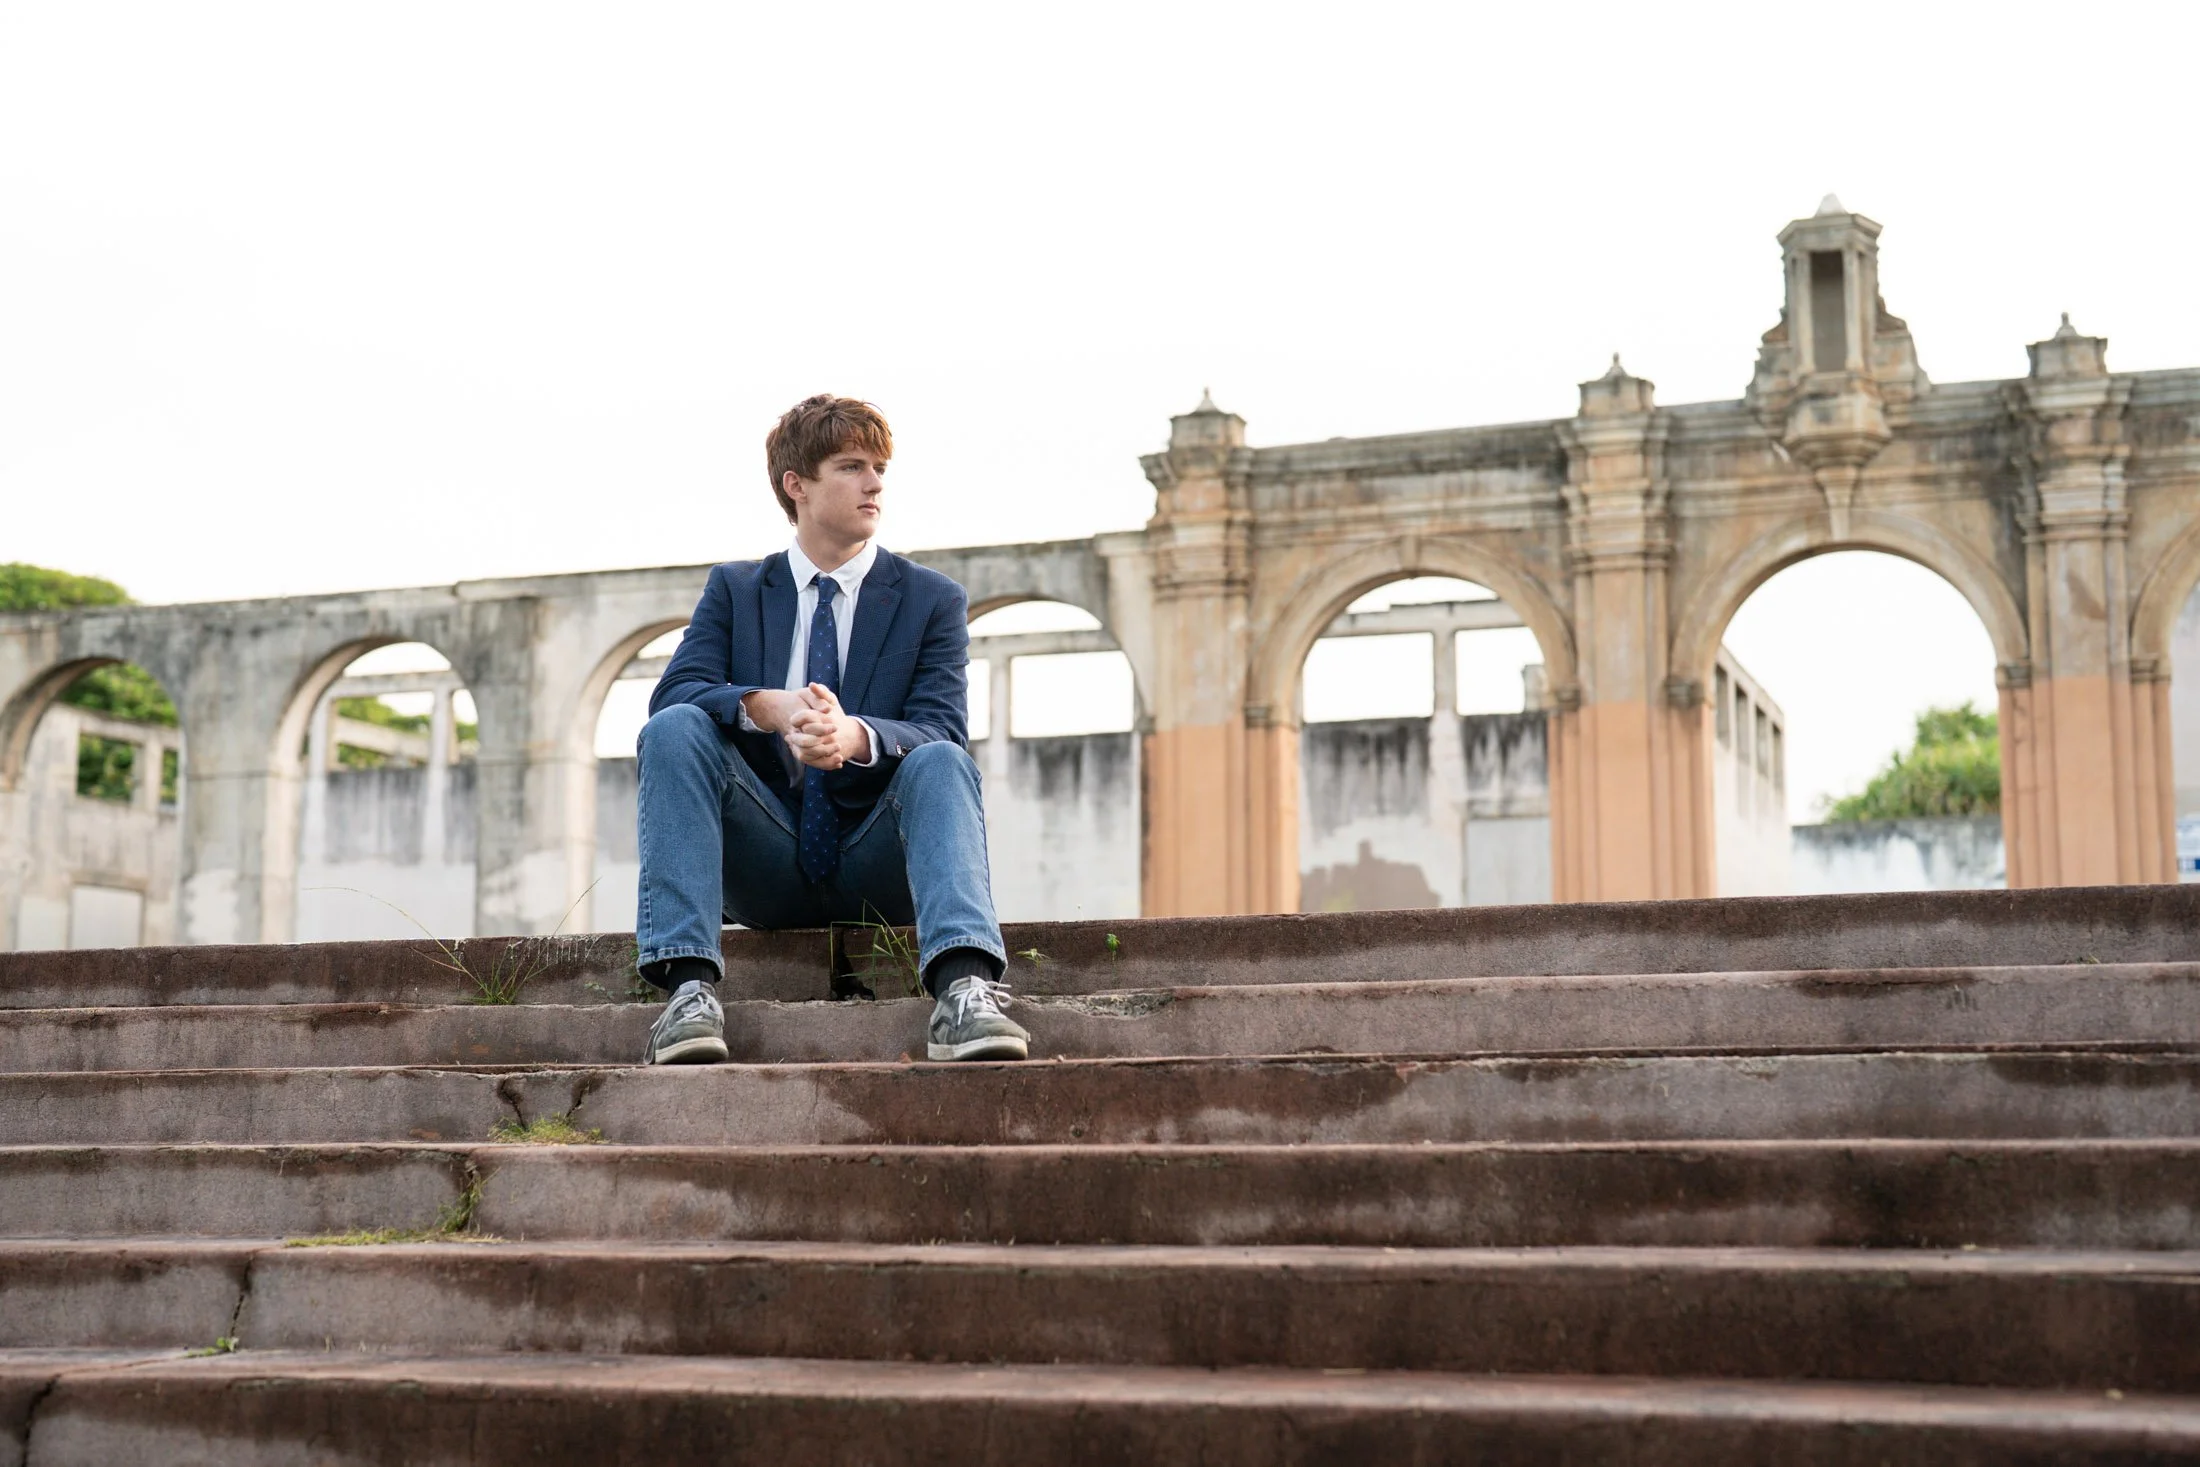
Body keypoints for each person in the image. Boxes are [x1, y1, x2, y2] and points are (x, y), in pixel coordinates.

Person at [632, 394, 1028, 1065]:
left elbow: (939, 725)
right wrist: (769, 706)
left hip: (882, 856)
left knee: (941, 760)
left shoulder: (931, 599)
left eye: (879, 467)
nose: (875, 483)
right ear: (798, 485)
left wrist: (857, 739)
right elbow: (677, 690)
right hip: (768, 858)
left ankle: (963, 990)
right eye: (851, 466)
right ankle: (689, 993)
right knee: (674, 727)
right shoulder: (735, 589)